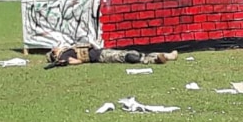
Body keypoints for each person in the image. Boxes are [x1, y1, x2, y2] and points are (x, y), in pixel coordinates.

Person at [46, 42, 179, 67]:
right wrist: (65, 62)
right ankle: (157, 59)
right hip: (101, 56)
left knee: (133, 54)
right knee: (130, 57)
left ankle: (165, 56)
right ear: (54, 52)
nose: (56, 47)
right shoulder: (62, 56)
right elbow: (74, 61)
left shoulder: (66, 50)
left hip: (102, 51)